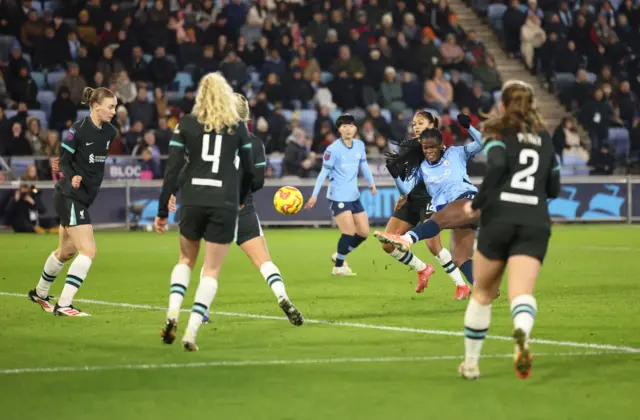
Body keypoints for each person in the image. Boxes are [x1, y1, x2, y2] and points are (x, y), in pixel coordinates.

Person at [166, 93, 303, 327]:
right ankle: (282, 296)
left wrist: (172, 191)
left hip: (216, 206)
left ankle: (203, 311)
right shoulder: (255, 144)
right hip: (243, 208)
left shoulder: (211, 140)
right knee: (264, 262)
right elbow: (257, 181)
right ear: (246, 116)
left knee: (210, 264)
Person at [458, 81, 560, 380]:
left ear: (502, 105)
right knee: (521, 294)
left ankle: (471, 364)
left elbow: (499, 163)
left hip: (499, 218)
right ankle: (521, 333)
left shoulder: (497, 131)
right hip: (535, 221)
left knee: (483, 293)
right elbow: (554, 187)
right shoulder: (545, 138)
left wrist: (477, 203)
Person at [154, 72, 255, 352]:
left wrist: (163, 208)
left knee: (186, 259)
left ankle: (173, 311)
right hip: (223, 201)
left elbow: (172, 169)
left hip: (193, 198)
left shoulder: (186, 124)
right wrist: (240, 198)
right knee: (211, 270)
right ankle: (191, 332)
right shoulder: (238, 126)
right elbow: (249, 168)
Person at [28, 87, 118, 316]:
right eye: (110, 106)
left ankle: (39, 293)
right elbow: (64, 161)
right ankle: (64, 304)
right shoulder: (77, 130)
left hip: (82, 198)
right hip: (70, 196)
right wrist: (72, 175)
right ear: (96, 105)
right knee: (88, 250)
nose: (114, 111)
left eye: (115, 107)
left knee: (65, 252)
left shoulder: (110, 132)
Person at [374, 114, 483, 287]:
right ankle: (484, 288)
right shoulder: (423, 168)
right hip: (455, 215)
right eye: (425, 148)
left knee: (436, 220)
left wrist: (468, 127)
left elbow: (481, 143)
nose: (429, 151)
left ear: (441, 145)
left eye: (433, 147)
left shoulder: (456, 153)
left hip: (468, 201)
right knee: (460, 258)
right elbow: (408, 192)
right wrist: (395, 176)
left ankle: (408, 239)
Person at [304, 114, 376, 276]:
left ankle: (340, 255)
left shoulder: (359, 145)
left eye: (350, 126)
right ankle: (338, 266)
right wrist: (315, 195)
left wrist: (371, 183)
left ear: (355, 128)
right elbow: (323, 173)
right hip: (338, 196)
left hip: (354, 195)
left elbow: (363, 165)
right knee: (348, 232)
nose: (348, 129)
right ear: (339, 130)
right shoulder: (333, 149)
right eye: (344, 126)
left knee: (364, 232)